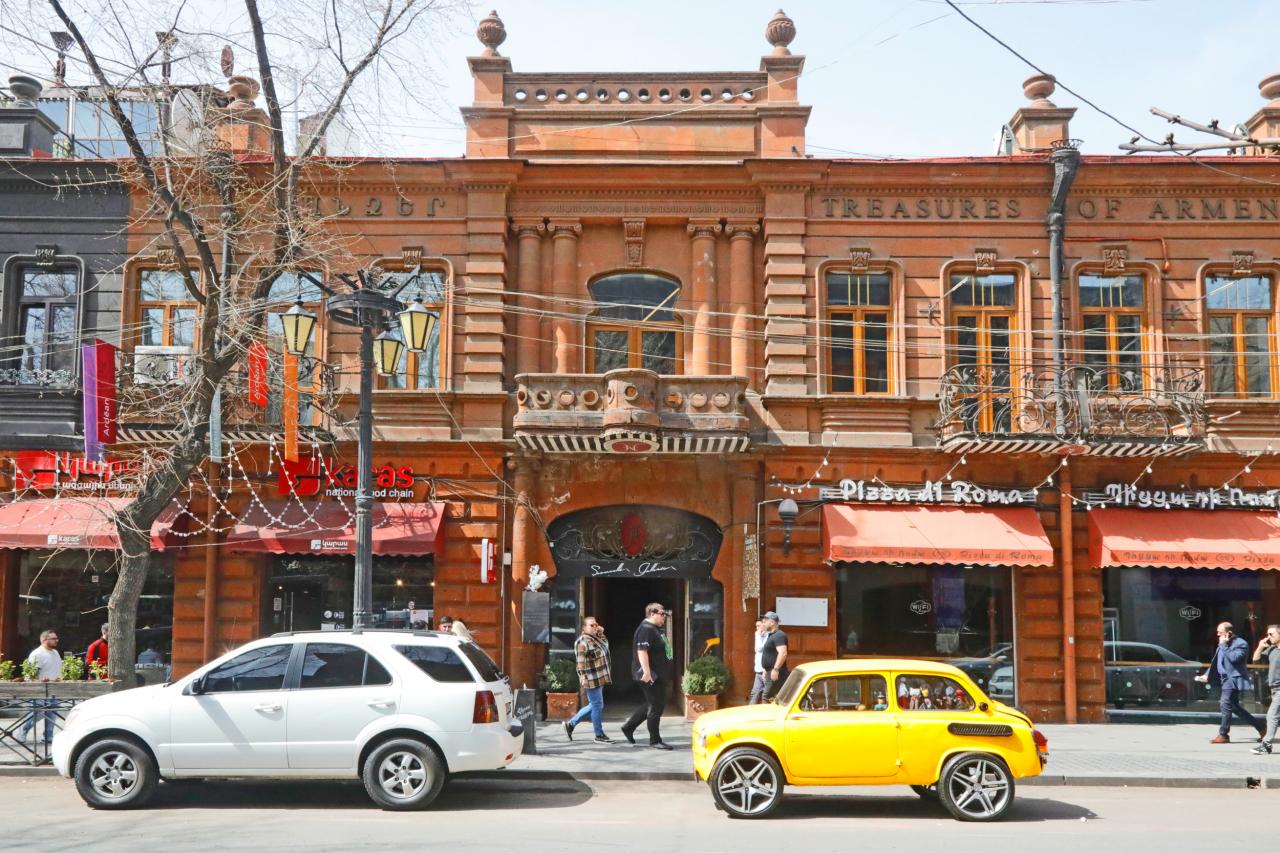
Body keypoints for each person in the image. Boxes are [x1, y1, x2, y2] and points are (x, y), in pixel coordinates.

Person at [1195, 621, 1266, 744]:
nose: (1217, 634)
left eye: (1220, 632)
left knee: (1225, 703)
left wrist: (1223, 645)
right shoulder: (1223, 643)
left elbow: (1235, 658)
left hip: (1233, 680)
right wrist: (1207, 675)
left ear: (1229, 633)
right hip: (1223, 679)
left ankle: (1223, 734)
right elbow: (1216, 661)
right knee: (1234, 707)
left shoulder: (1241, 644)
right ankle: (1261, 727)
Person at [620, 603, 672, 750]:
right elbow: (642, 651)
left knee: (653, 703)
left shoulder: (655, 629)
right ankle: (655, 740)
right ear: (652, 613)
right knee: (656, 706)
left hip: (658, 674)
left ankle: (629, 727)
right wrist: (647, 672)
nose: (664, 617)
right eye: (662, 614)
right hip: (650, 675)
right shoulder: (645, 629)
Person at [564, 616, 612, 743]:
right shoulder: (582, 642)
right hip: (591, 678)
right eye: (592, 625)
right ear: (584, 628)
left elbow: (606, 646)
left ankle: (571, 724)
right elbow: (580, 663)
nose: (595, 627)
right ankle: (599, 734)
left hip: (599, 677)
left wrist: (600, 632)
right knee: (597, 705)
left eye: (596, 624)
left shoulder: (596, 638)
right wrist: (583, 677)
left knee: (596, 704)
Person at [19, 630, 61, 744]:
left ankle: (48, 735)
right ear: (44, 640)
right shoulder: (37, 654)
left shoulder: (55, 652)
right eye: (53, 638)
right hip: (40, 689)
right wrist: (38, 681)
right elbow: (31, 674)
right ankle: (23, 730)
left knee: (52, 713)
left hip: (54, 688)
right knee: (37, 713)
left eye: (56, 638)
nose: (56, 640)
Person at [1252, 623, 1280, 755]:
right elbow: (1255, 660)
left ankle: (1266, 745)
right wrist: (1260, 646)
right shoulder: (1272, 649)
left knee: (1272, 716)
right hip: (1274, 689)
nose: (1268, 637)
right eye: (1268, 634)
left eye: (1271, 634)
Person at [760, 610, 789, 700]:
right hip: (771, 671)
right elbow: (771, 654)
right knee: (775, 698)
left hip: (776, 673)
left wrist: (775, 669)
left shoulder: (779, 635)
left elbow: (783, 653)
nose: (763, 624)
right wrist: (766, 670)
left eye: (765, 622)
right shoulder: (771, 635)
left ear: (772, 622)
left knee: (767, 697)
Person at [748, 619, 769, 705]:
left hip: (766, 670)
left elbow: (760, 648)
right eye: (756, 626)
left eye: (759, 625)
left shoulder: (768, 636)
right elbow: (756, 649)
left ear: (764, 625)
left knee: (767, 695)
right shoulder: (760, 636)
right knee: (754, 693)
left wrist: (757, 636)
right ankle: (750, 712)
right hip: (758, 670)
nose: (757, 628)